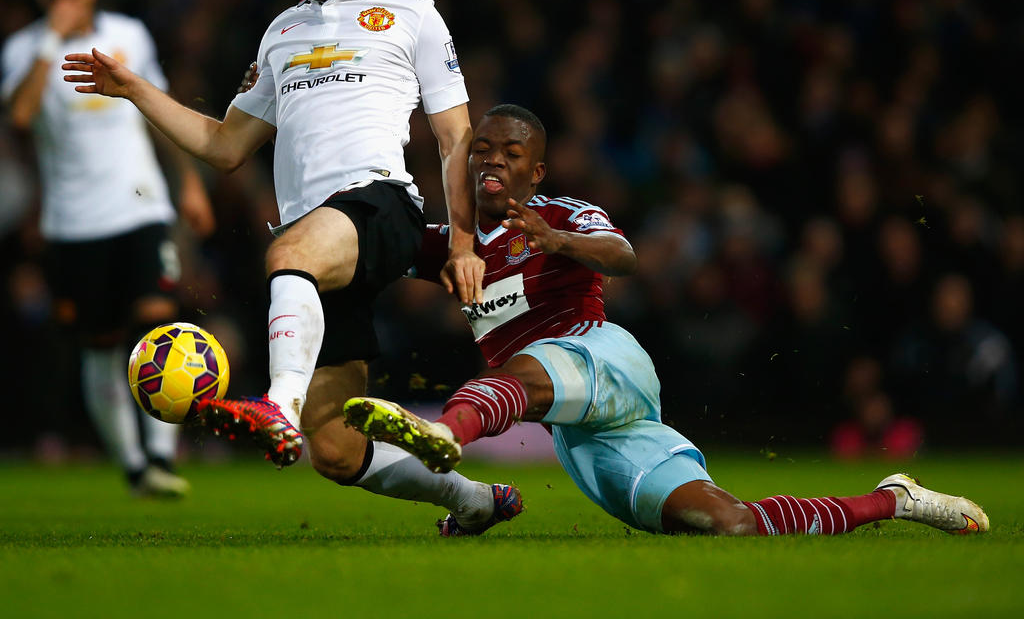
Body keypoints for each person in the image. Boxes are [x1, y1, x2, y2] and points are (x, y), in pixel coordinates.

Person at [63, 0, 520, 535]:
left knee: (290, 251)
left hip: (380, 205)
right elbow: (224, 146)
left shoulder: (412, 15)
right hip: (318, 248)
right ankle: (476, 502)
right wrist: (134, 90)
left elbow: (454, 138)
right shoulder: (281, 33)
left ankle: (275, 403)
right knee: (333, 449)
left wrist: (460, 240)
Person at [345, 104, 990, 536]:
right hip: (582, 431)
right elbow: (368, 246)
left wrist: (556, 241)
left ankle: (445, 435)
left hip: (602, 359)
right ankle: (894, 500)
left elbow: (624, 255)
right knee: (727, 524)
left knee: (528, 370)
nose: (491, 160)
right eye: (480, 150)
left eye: (510, 153)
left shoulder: (562, 215)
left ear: (535, 170)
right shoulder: (448, 244)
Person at [2, 0, 216, 497]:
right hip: (73, 222)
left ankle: (163, 456)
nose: (62, 4)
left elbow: (155, 109)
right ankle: (133, 466)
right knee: (100, 344)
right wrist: (52, 39)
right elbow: (20, 115)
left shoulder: (129, 34)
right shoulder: (25, 49)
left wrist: (188, 183)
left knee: (156, 323)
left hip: (140, 205)